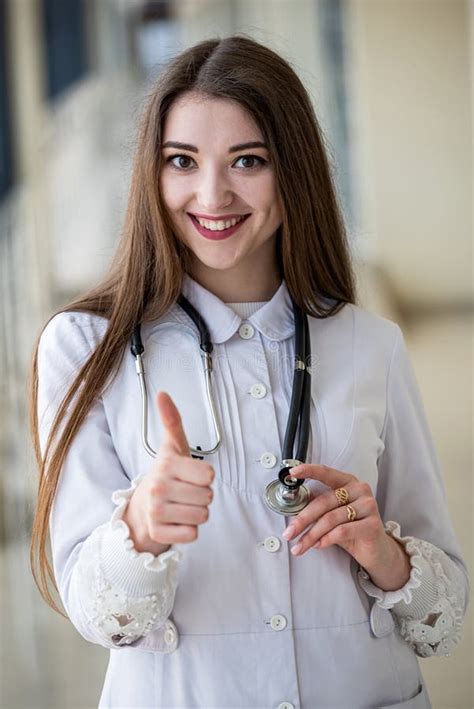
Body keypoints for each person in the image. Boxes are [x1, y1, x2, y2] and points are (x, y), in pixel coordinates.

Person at [29, 35, 468, 709]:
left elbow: (446, 613)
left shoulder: (368, 343)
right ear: (153, 173)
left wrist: (382, 551)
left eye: (248, 160)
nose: (213, 193)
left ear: (292, 172)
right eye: (182, 161)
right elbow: (94, 613)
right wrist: (141, 529)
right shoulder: (85, 348)